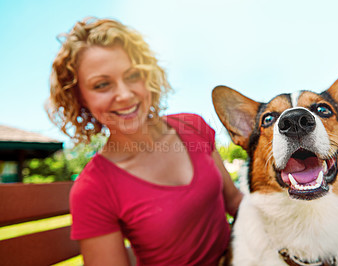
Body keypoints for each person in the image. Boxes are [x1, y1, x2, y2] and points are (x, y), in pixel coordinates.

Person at [47, 17, 243, 266]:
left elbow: (235, 202)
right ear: (79, 98)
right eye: (102, 84)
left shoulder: (192, 126)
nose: (125, 94)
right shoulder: (93, 189)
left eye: (133, 75)